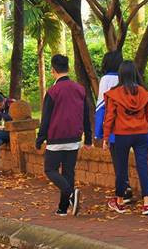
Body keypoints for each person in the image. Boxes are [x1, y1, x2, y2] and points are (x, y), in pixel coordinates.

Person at [36, 54, 92, 217]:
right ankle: (62, 207)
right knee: (68, 172)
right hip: (74, 139)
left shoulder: (53, 91)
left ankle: (70, 192)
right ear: (68, 69)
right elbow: (85, 115)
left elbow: (45, 118)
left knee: (50, 169)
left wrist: (40, 138)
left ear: (53, 70)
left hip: (56, 138)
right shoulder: (80, 89)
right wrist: (88, 139)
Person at [103, 61, 148, 215]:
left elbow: (109, 117)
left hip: (122, 134)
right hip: (141, 134)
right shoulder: (143, 92)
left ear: (121, 74)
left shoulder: (114, 93)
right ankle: (147, 204)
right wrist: (147, 128)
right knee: (143, 166)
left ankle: (119, 201)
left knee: (121, 168)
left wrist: (106, 137)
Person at [95, 51, 122, 143]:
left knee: (116, 155)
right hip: (128, 126)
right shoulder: (125, 77)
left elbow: (101, 105)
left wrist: (98, 131)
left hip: (112, 125)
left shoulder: (105, 79)